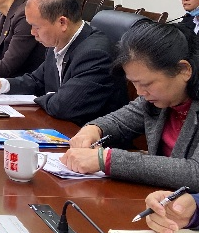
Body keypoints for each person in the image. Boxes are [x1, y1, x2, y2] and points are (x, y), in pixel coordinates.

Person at [62, 22, 199, 190]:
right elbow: (119, 121)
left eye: (146, 84)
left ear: (184, 70)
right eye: (134, 83)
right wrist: (93, 129)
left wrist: (107, 159)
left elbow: (195, 173)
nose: (140, 92)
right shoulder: (160, 98)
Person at [0, 0, 128, 125]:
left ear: (62, 23)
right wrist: (2, 84)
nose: (32, 32)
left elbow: (64, 106)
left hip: (87, 135)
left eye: (36, 27)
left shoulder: (95, 54)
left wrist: (37, 99)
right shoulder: (58, 41)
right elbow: (37, 80)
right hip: (60, 126)